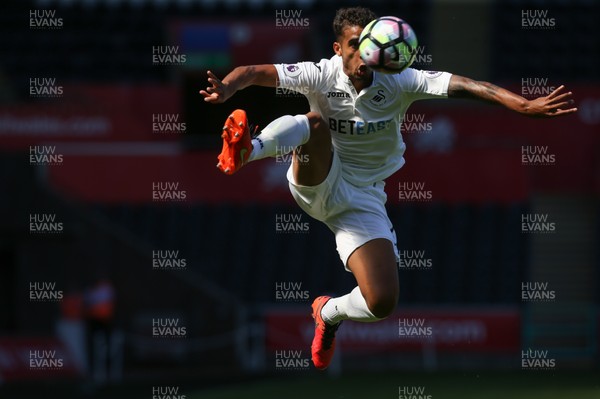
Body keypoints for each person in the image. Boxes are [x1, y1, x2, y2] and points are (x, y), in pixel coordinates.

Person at [200, 6, 577, 370]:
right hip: (317, 177)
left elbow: (465, 84)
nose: (363, 56)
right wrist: (228, 87)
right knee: (313, 123)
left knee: (381, 301)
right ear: (337, 49)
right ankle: (250, 150)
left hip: (362, 198)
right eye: (353, 46)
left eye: (368, 46)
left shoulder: (399, 78)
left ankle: (327, 313)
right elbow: (253, 71)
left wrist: (523, 105)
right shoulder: (320, 73)